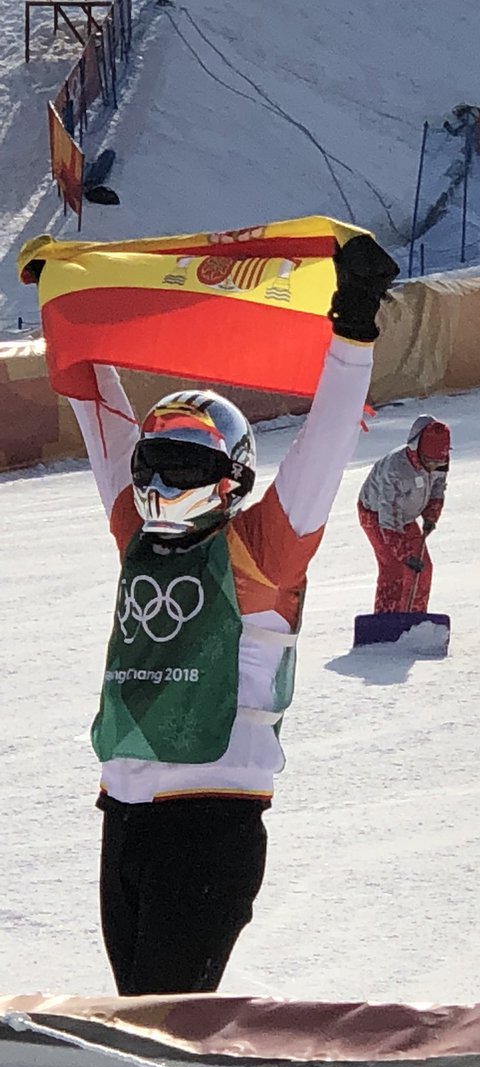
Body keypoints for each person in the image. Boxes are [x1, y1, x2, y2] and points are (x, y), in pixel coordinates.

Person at [40, 234, 398, 995]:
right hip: (124, 812)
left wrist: (354, 329)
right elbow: (105, 425)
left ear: (230, 478)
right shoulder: (139, 539)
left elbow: (326, 442)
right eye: (158, 461)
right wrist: (68, 311)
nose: (165, 478)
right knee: (137, 1017)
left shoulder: (265, 548)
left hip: (211, 819)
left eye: (188, 465)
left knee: (164, 1025)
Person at [357, 415, 451, 612]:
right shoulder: (395, 469)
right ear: (416, 448)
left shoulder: (439, 460)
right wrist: (405, 555)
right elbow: (388, 518)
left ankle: (414, 620)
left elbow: (437, 488)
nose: (434, 467)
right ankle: (386, 620)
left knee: (423, 569)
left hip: (406, 516)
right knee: (394, 568)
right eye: (429, 461)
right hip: (376, 516)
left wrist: (431, 515)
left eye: (439, 462)